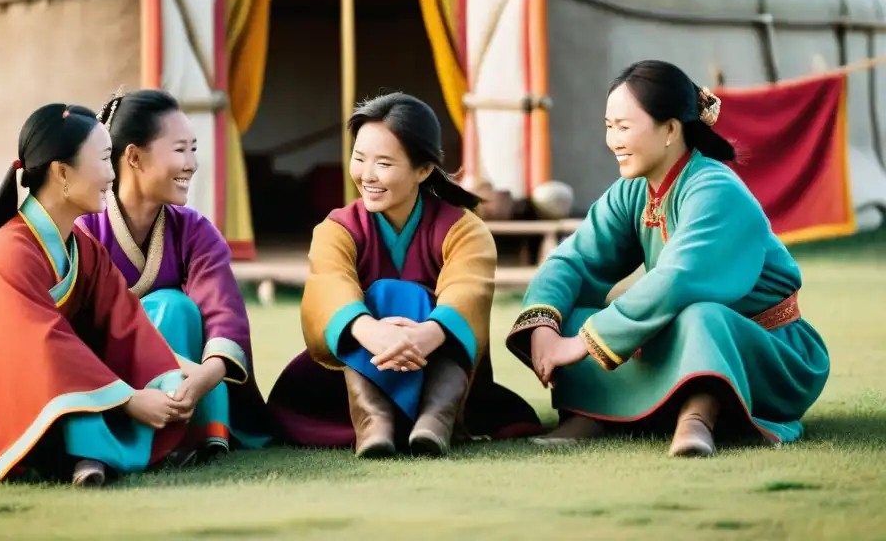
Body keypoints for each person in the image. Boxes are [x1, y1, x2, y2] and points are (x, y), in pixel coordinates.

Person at [0, 103, 221, 485]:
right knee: (68, 416)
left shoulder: (85, 250)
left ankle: (93, 457)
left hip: (34, 384)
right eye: (105, 159)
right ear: (62, 173)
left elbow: (129, 326)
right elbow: (46, 345)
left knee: (91, 397)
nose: (112, 174)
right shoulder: (4, 253)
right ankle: (88, 455)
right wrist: (130, 399)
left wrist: (173, 383)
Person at [506, 60, 831, 457]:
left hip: (767, 349)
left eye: (624, 127)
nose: (612, 140)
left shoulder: (716, 189)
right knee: (573, 312)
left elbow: (679, 279)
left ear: (671, 130)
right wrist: (546, 326)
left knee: (701, 315)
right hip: (681, 335)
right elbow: (572, 261)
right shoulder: (633, 192)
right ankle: (592, 413)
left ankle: (696, 417)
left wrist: (582, 344)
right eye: (609, 126)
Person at [266, 92, 542, 457]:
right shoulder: (337, 228)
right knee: (379, 298)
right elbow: (329, 287)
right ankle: (372, 420)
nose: (366, 175)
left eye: (383, 163)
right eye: (359, 158)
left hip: (435, 364)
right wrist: (370, 331)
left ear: (423, 169)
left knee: (411, 299)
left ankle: (436, 418)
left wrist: (429, 333)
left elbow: (467, 292)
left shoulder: (463, 229)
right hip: (350, 379)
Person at [77, 89, 270, 460]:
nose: (192, 163)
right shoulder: (85, 229)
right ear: (133, 156)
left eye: (193, 149)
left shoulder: (194, 230)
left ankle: (196, 431)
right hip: (115, 387)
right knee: (169, 305)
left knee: (176, 306)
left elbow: (223, 312)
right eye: (181, 149)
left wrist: (205, 377)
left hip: (193, 385)